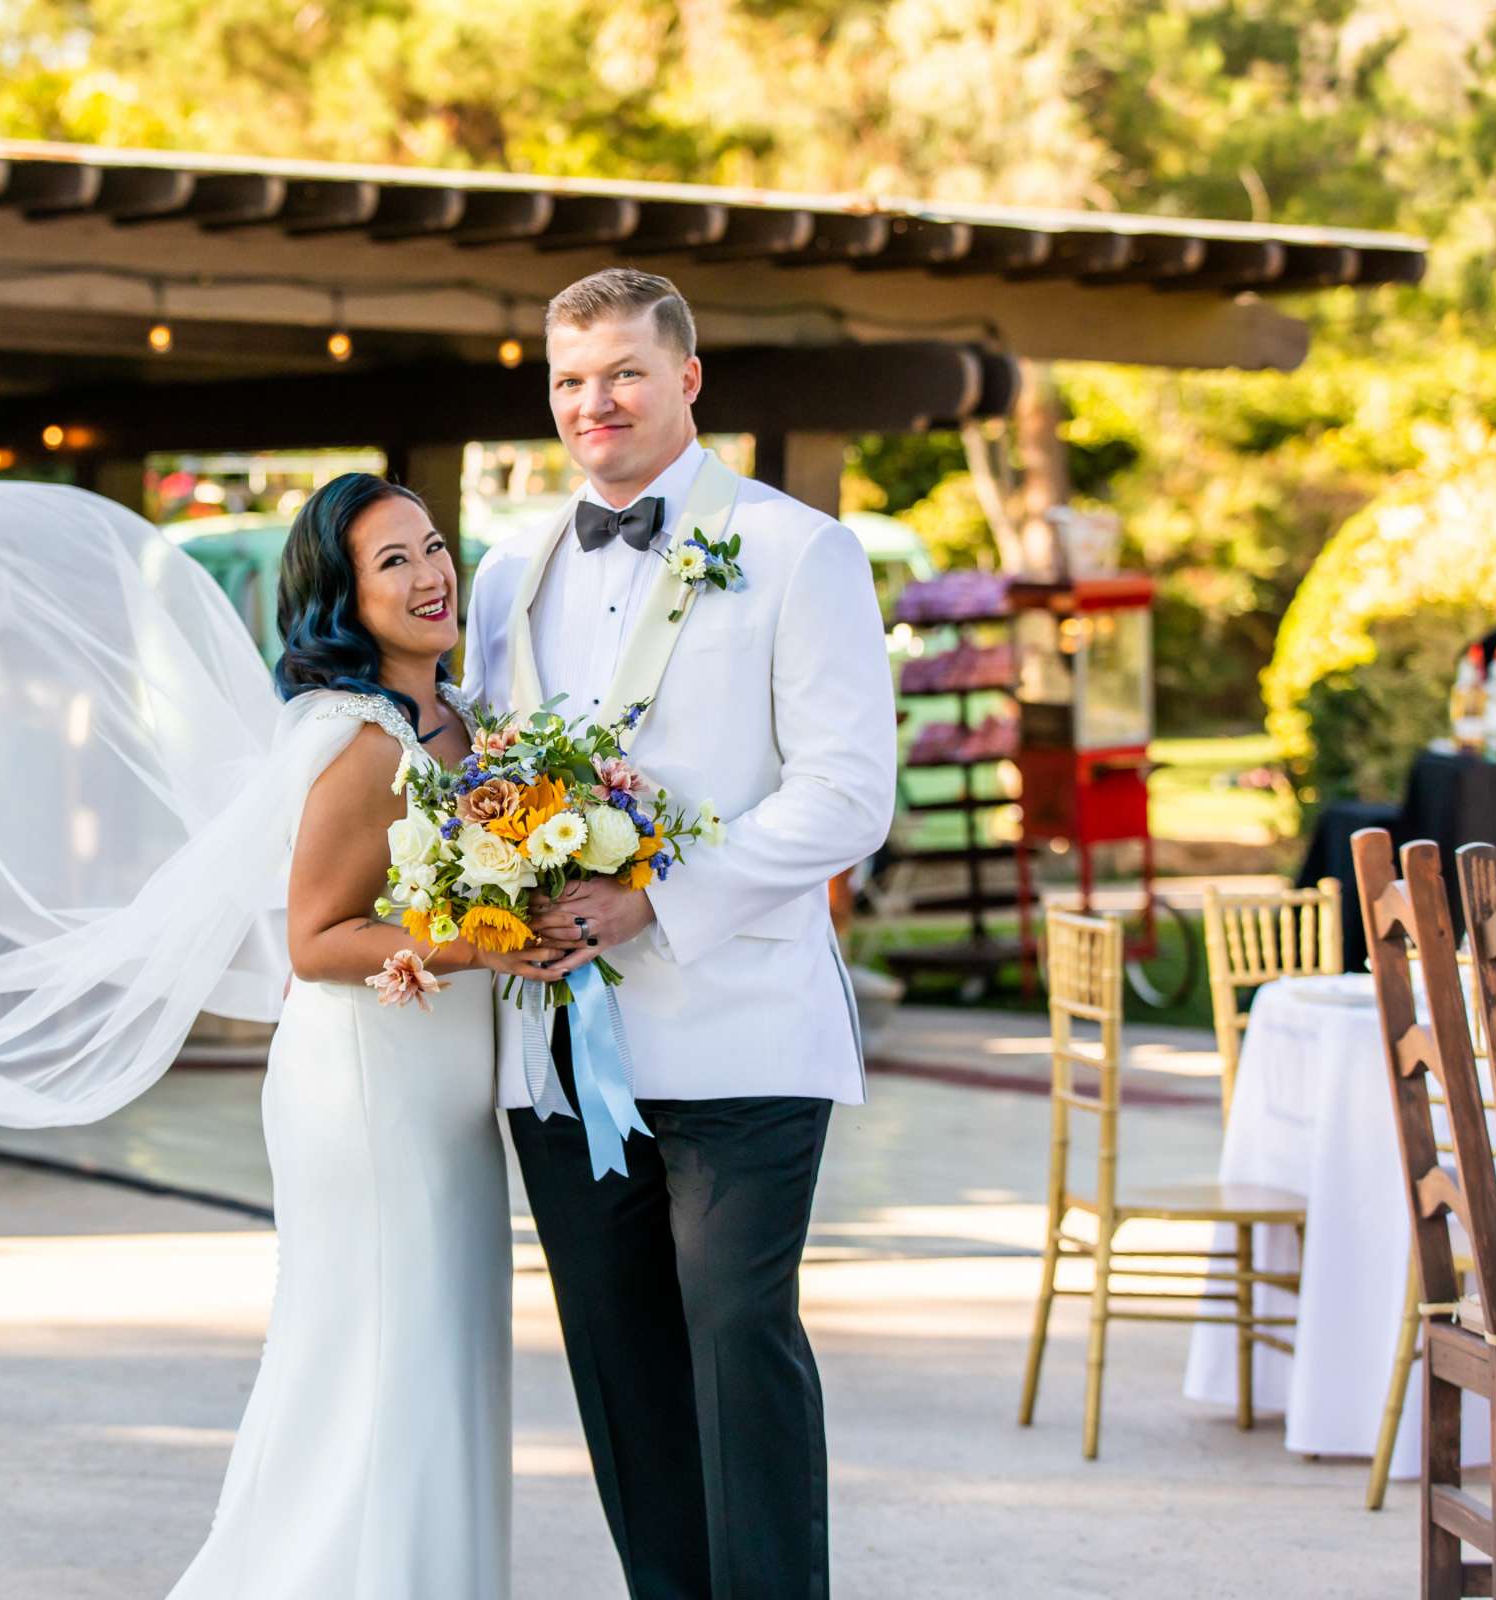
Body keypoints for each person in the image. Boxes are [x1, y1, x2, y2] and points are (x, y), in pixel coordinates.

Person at [462, 267, 897, 1599]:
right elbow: (489, 774)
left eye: (625, 373)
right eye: (571, 380)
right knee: (619, 1363)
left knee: (737, 1338)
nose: (597, 402)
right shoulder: (503, 569)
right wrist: (497, 898)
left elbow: (848, 793)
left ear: (688, 380)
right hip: (561, 1049)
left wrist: (656, 897)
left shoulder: (797, 549)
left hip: (741, 1034)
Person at [165, 472, 563, 1598]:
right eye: (393, 562)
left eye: (433, 547)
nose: (431, 574)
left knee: (437, 1358)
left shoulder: (464, 719)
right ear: (344, 596)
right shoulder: (362, 738)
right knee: (379, 1357)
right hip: (368, 1091)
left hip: (441, 1090)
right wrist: (483, 941)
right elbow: (316, 937)